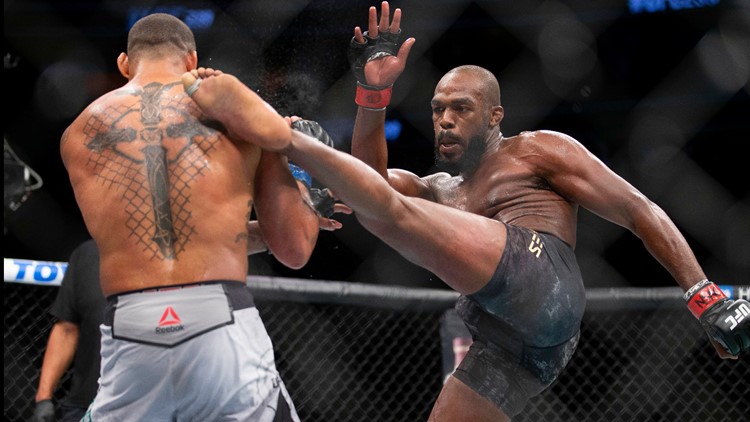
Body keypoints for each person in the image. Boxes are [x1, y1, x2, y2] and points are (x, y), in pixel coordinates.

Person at [180, 2, 749, 421]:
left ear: (495, 116)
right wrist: (372, 96)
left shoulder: (537, 150)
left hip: (544, 276)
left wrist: (705, 296)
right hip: (515, 345)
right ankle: (305, 155)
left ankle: (289, 140)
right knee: (379, 201)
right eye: (436, 110)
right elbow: (370, 185)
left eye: (460, 108)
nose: (445, 120)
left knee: (386, 208)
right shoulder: (436, 191)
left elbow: (637, 208)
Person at [60, 13, 343, 421]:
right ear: (192, 60)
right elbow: (294, 248)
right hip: (221, 322)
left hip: (130, 328)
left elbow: (168, 238)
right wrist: (301, 187)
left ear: (124, 64)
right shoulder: (239, 116)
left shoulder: (79, 134)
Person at [33, 239, 104, 422]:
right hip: (86, 404)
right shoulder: (87, 254)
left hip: (152, 402)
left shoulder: (168, 254)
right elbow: (66, 330)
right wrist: (44, 397)